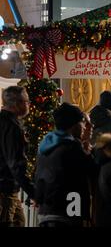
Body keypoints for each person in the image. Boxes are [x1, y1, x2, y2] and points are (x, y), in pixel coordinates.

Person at [34, 103, 95, 227]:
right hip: (67, 211)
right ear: (73, 125)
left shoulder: (46, 145)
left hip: (46, 211)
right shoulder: (72, 147)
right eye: (82, 122)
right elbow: (92, 170)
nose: (84, 127)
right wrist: (87, 144)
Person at [0, 86, 34, 227]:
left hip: (8, 189)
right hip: (5, 190)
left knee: (19, 221)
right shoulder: (12, 127)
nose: (29, 104)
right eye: (26, 101)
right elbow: (15, 163)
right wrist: (33, 192)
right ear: (16, 104)